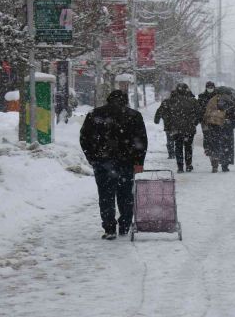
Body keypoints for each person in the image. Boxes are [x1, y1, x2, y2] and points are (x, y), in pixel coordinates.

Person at [80, 90, 148, 240]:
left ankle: (109, 228)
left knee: (105, 195)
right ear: (125, 100)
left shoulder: (95, 114)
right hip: (126, 162)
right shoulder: (134, 115)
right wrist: (138, 162)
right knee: (125, 195)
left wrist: (92, 157)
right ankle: (124, 225)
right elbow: (141, 141)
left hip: (103, 162)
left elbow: (84, 137)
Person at [156, 83, 202, 173]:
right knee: (188, 147)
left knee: (178, 147)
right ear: (187, 90)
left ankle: (180, 167)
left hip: (176, 129)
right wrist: (194, 123)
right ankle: (188, 165)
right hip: (189, 129)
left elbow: (164, 113)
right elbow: (199, 114)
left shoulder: (170, 101)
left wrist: (169, 124)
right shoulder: (193, 101)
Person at [203, 87, 235, 173]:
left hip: (215, 126)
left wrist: (209, 124)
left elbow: (207, 114)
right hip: (227, 127)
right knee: (227, 146)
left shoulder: (212, 101)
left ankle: (215, 164)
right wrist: (232, 124)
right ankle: (225, 165)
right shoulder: (230, 101)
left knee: (216, 145)